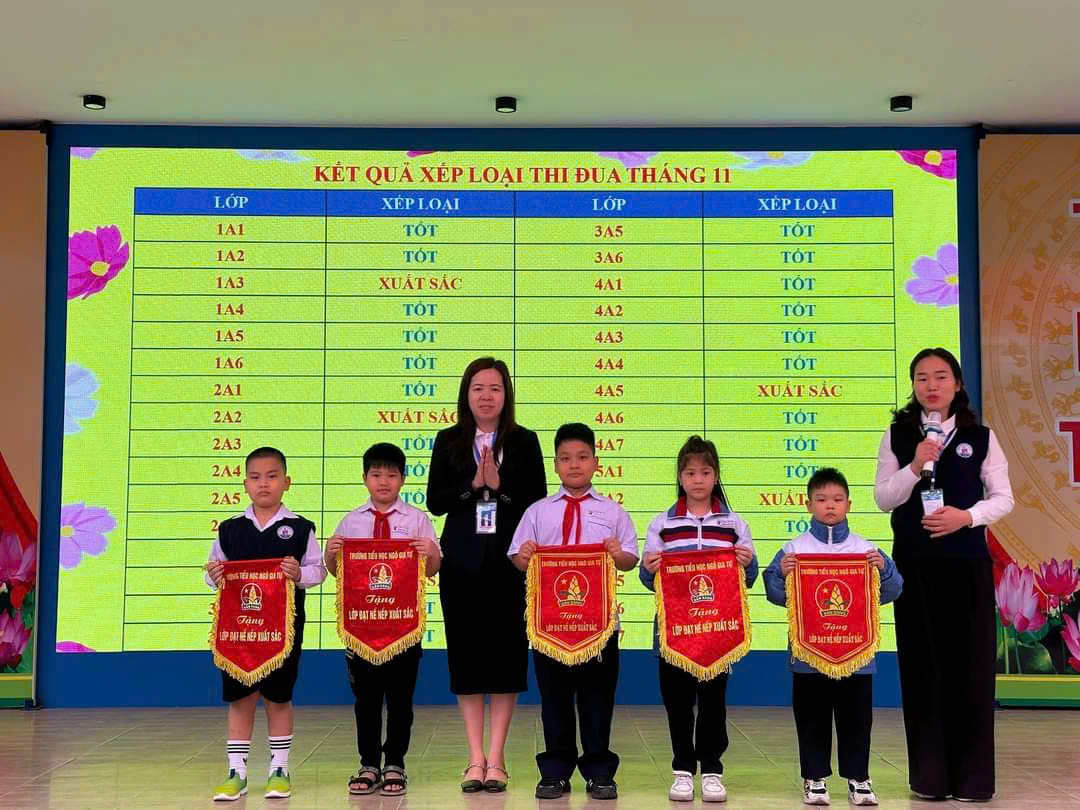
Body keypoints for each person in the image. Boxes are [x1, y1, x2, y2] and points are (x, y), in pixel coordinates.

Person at [874, 347, 1013, 802]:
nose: (931, 385)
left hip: (966, 567)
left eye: (940, 376)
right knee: (922, 671)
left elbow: (1004, 498)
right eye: (921, 378)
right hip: (914, 569)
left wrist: (966, 517)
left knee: (970, 672)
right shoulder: (898, 435)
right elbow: (884, 498)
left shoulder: (981, 437)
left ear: (957, 383)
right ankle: (929, 779)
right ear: (913, 386)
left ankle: (973, 781)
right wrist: (916, 465)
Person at [426, 357, 547, 792]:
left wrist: (500, 488)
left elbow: (538, 500)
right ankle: (474, 757)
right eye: (478, 388)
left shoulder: (524, 441)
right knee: (467, 658)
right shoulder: (448, 440)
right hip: (461, 564)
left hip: (510, 564)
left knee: (506, 658)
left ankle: (497, 758)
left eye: (495, 388)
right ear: (466, 393)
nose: (486, 396)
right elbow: (436, 501)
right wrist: (473, 487)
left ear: (506, 394)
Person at [509, 422, 639, 800]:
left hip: (599, 626)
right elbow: (518, 559)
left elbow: (630, 559)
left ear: (596, 462)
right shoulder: (538, 512)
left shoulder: (613, 512)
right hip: (549, 625)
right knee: (555, 702)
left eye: (582, 457)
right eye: (566, 458)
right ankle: (555, 770)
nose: (575, 464)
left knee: (598, 701)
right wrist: (524, 556)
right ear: (555, 465)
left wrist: (619, 554)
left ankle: (600, 771)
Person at [764, 467, 902, 806]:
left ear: (849, 505)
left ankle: (859, 778)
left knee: (857, 720)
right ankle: (814, 778)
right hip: (808, 655)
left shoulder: (866, 549)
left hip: (857, 655)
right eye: (822, 499)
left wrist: (883, 570)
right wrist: (780, 574)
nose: (830, 505)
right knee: (812, 719)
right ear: (808, 504)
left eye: (838, 499)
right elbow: (776, 595)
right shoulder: (794, 549)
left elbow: (893, 591)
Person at [638, 435, 758, 803]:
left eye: (705, 472)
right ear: (680, 476)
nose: (698, 480)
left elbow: (749, 579)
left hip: (718, 635)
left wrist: (746, 563)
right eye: (690, 473)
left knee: (712, 705)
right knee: (677, 704)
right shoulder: (663, 524)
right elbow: (647, 579)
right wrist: (649, 568)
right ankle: (682, 770)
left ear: (716, 475)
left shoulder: (734, 524)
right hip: (674, 634)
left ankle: (712, 771)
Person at [205, 447, 326, 801]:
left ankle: (279, 770)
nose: (264, 484)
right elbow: (212, 574)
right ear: (245, 484)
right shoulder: (230, 530)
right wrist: (214, 575)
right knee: (240, 698)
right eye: (256, 477)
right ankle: (237, 773)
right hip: (238, 633)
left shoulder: (300, 528)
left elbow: (318, 571)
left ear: (286, 482)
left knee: (278, 697)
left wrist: (298, 573)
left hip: (281, 632)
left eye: (272, 476)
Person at [323, 442, 441, 797]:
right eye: (376, 474)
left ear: (403, 479)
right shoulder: (352, 521)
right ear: (365, 479)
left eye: (391, 475)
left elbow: (432, 569)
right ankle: (369, 763)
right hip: (362, 628)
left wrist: (430, 553)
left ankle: (395, 764)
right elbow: (337, 572)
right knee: (366, 701)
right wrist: (330, 554)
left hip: (404, 628)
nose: (384, 481)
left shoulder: (417, 520)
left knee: (401, 700)